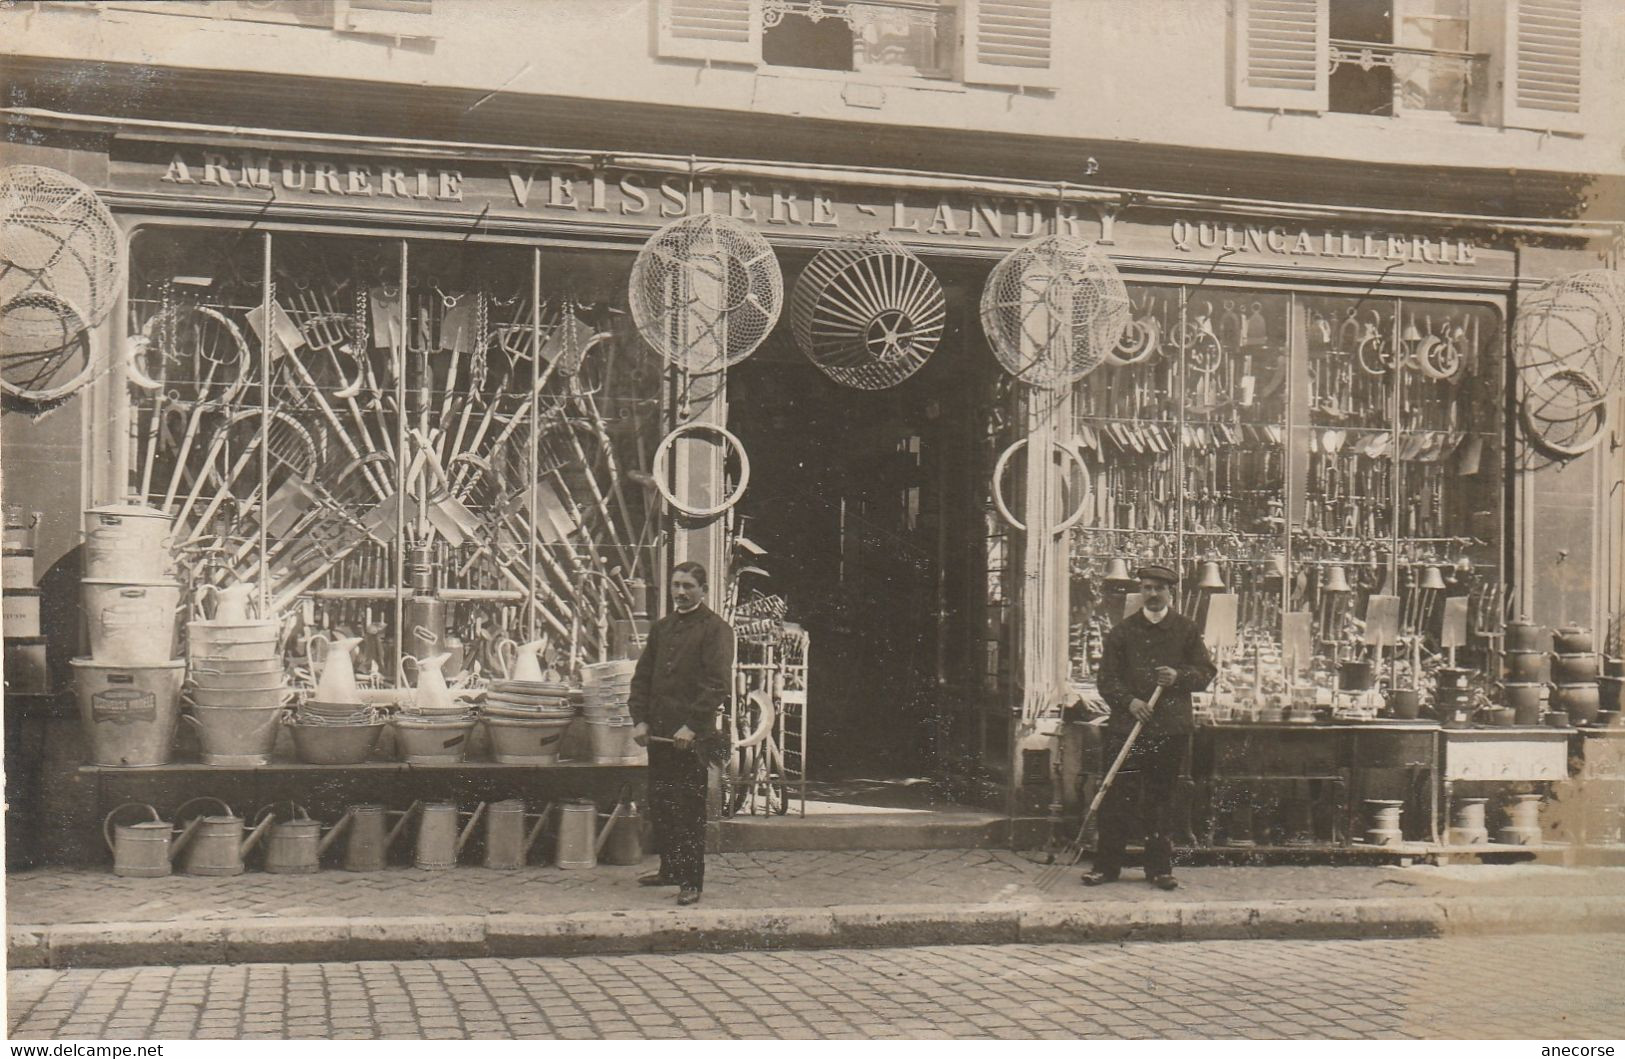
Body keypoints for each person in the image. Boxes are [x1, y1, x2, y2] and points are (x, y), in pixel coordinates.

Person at [1084, 563, 1216, 891]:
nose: (1153, 594)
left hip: (1169, 730)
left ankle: (1159, 869)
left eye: (1159, 588)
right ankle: (1106, 867)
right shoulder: (1123, 632)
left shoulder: (1185, 630)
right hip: (1126, 729)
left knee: (1161, 799)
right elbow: (1107, 680)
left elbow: (1206, 672)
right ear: (1140, 591)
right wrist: (1130, 702)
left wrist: (1179, 677)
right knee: (1116, 797)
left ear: (1170, 592)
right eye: (1147, 588)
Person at [628, 561, 732, 906]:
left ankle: (691, 881)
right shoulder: (662, 629)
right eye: (676, 585)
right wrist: (639, 719)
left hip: (691, 739)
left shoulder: (716, 630)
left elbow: (716, 685)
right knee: (662, 804)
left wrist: (692, 726)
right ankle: (669, 869)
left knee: (688, 810)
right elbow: (642, 678)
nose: (681, 592)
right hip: (658, 736)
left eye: (688, 586)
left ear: (703, 589)